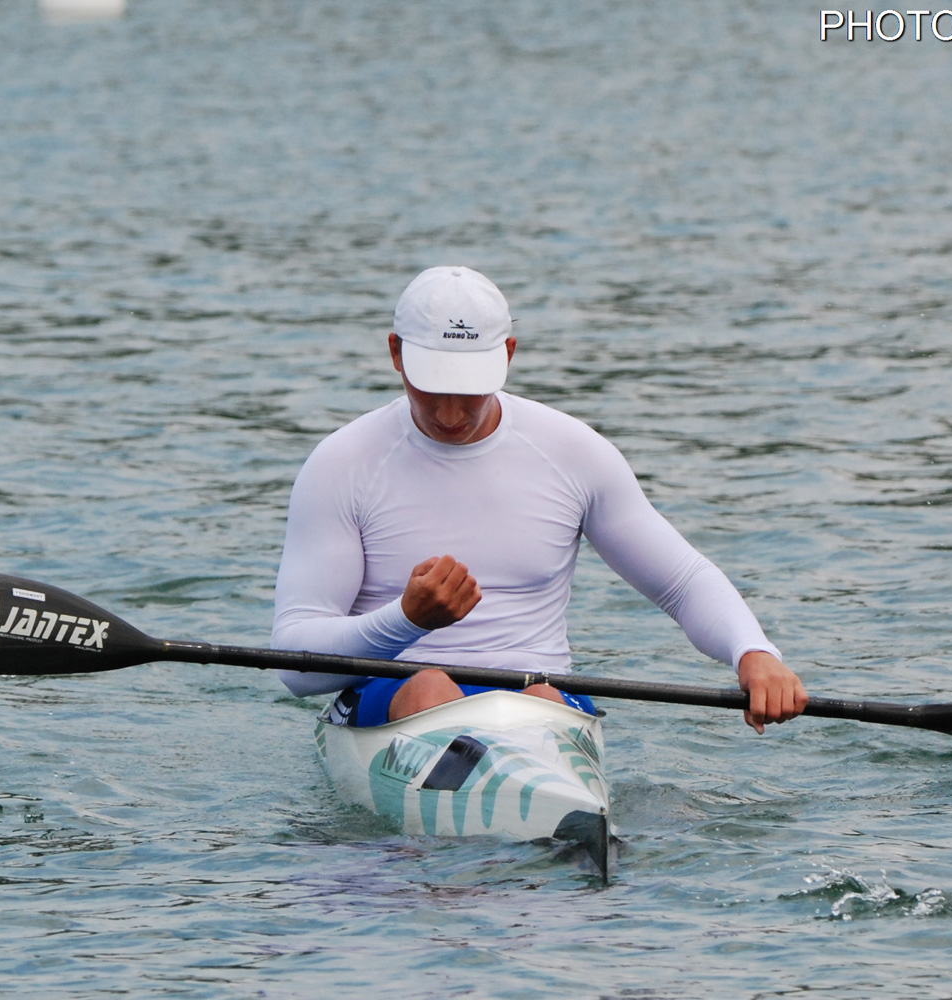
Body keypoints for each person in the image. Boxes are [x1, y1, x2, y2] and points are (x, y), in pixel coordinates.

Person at [270, 266, 807, 733]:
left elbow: (681, 582)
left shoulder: (572, 452)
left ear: (507, 354)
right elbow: (296, 667)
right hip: (389, 698)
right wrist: (407, 621)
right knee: (430, 688)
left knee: (544, 701)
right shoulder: (342, 463)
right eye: (433, 385)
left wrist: (753, 652)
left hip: (535, 693)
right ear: (395, 354)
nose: (452, 414)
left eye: (470, 386)